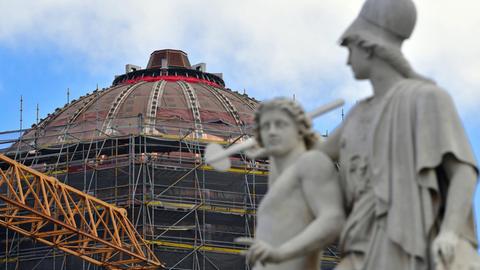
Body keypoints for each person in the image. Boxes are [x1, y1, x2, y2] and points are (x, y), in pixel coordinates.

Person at [317, 0, 478, 269]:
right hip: (359, 245)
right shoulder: (357, 117)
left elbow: (463, 172)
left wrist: (450, 232)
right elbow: (310, 161)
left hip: (410, 240)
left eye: (350, 47)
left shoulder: (428, 99)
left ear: (368, 47)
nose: (347, 59)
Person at [236, 98, 344, 270]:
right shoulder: (282, 175)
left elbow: (333, 219)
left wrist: (281, 253)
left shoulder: (311, 162)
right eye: (265, 126)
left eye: (280, 124)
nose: (271, 132)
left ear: (299, 129)